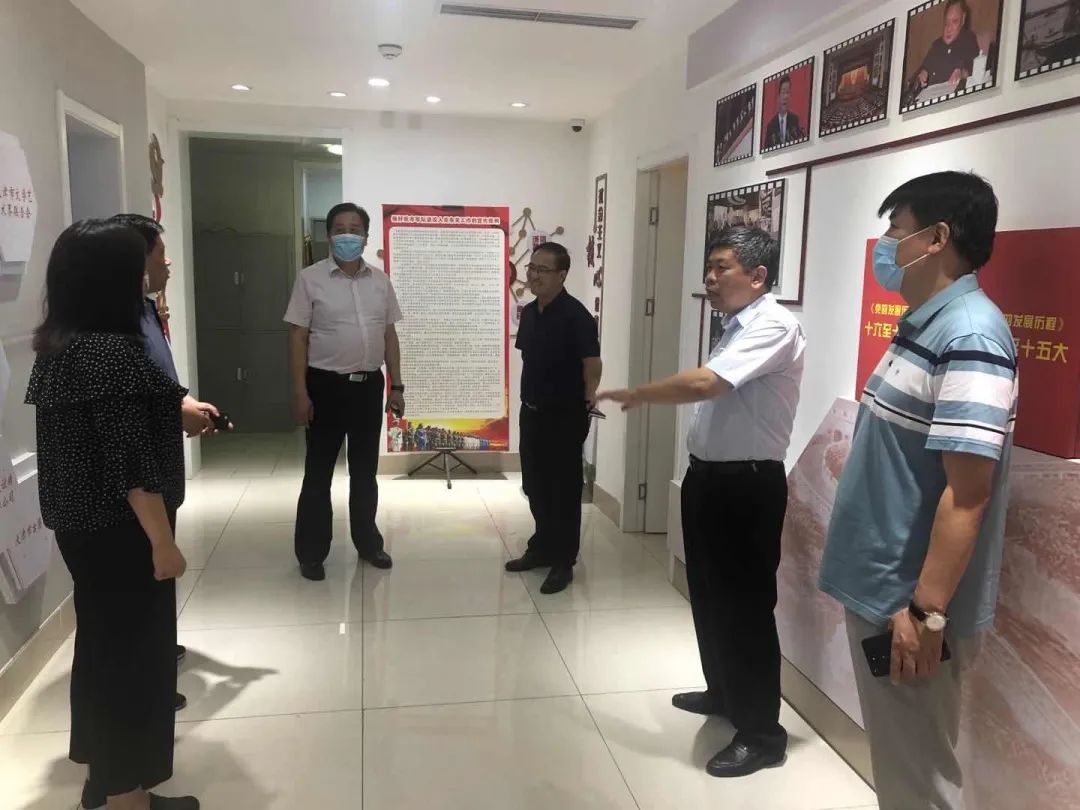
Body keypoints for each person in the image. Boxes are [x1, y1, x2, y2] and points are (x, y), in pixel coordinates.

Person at [819, 172, 1017, 810]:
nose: (885, 244)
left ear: (936, 238)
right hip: (882, 589)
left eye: (896, 230)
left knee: (919, 783)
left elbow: (968, 494)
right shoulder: (923, 324)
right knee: (901, 772)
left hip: (907, 606)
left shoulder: (971, 336)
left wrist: (927, 614)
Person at [598, 225, 805, 778]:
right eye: (708, 268)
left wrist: (640, 393)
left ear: (758, 276)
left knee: (745, 609)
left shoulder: (774, 325)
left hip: (747, 486)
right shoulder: (736, 324)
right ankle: (724, 692)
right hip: (708, 480)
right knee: (709, 596)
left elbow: (706, 385)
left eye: (721, 268)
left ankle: (762, 734)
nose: (709, 279)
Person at [25, 220, 198, 810]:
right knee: (134, 661)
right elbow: (129, 462)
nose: (148, 276)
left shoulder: (63, 345)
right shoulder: (109, 353)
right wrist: (162, 542)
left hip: (83, 527)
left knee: (103, 649)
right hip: (121, 531)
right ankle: (128, 798)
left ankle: (104, 783)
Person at [109, 213, 230, 720]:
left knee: (154, 583)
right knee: (142, 578)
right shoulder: (109, 327)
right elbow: (128, 407)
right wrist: (175, 411)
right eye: (160, 252)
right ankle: (144, 684)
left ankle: (156, 657)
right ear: (135, 260)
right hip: (138, 482)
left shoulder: (143, 309)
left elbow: (155, 380)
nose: (168, 261)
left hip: (159, 468)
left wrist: (184, 402)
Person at [284, 202, 403, 581]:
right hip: (325, 387)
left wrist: (397, 385)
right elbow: (297, 336)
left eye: (355, 229)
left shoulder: (380, 281)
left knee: (365, 472)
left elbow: (389, 335)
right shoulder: (310, 279)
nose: (347, 235)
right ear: (329, 235)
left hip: (368, 387)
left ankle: (368, 543)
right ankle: (311, 552)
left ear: (366, 237)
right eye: (339, 229)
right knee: (318, 474)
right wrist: (300, 392)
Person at [505, 242, 602, 595]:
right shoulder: (530, 313)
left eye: (542, 270)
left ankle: (563, 561)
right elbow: (530, 359)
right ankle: (542, 547)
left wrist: (588, 400)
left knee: (563, 489)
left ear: (562, 275)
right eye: (531, 268)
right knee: (535, 485)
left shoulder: (577, 317)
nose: (533, 275)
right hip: (531, 413)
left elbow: (592, 364)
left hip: (564, 416)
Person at [913, 0, 980, 90]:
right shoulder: (937, 45)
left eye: (954, 21)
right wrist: (922, 73)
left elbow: (971, 65)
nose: (949, 28)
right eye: (946, 22)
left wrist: (961, 72)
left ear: (963, 19)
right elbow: (923, 68)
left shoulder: (968, 39)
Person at [764, 75, 803, 148]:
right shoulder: (771, 126)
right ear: (778, 96)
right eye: (783, 92)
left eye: (787, 92)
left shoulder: (794, 120)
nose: (785, 96)